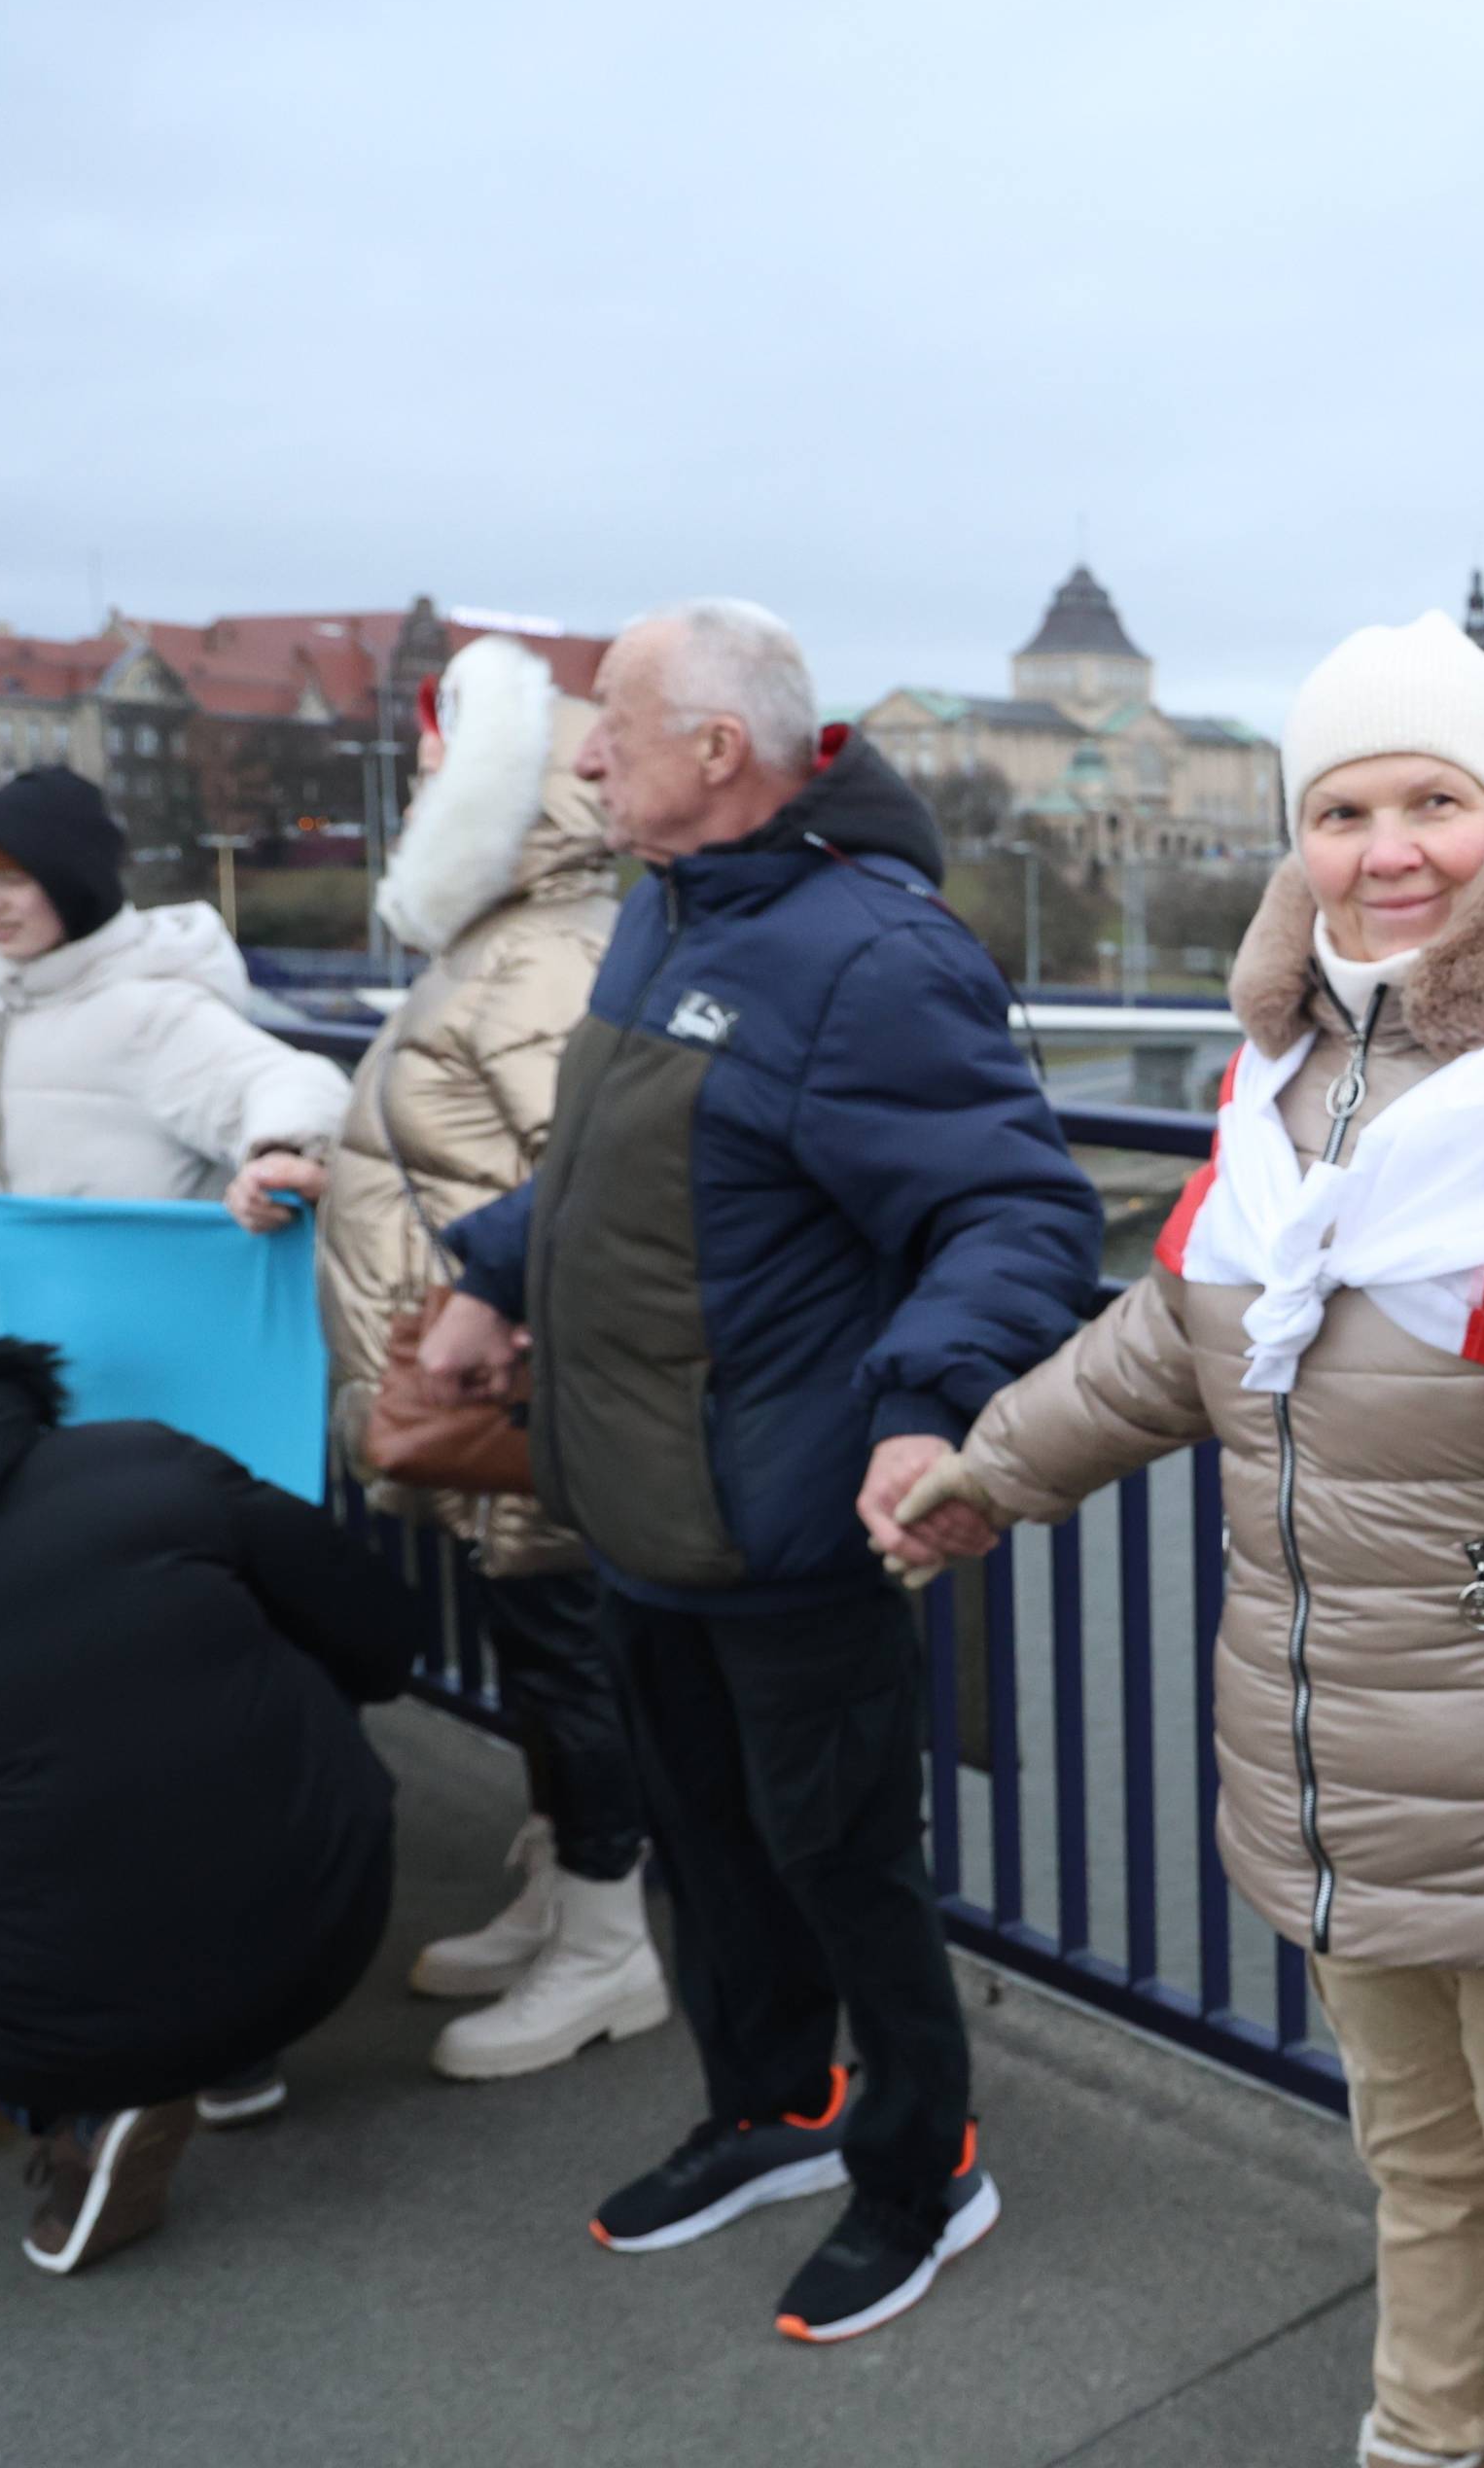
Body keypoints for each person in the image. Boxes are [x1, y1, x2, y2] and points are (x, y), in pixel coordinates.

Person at [892, 613, 1484, 2468]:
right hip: (1329, 1788)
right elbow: (1177, 1340)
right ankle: (1424, 2431)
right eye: (1339, 809)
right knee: (1415, 2176)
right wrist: (987, 1469)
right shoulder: (1294, 1083)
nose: (1384, 848)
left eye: (1434, 799)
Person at [416, 598, 1103, 2345]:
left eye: (614, 731)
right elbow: (629, 1168)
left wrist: (924, 1399)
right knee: (708, 1857)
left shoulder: (873, 955)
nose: (584, 760)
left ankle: (920, 2169)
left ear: (719, 754)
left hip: (789, 1524)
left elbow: (1015, 1209)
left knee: (841, 1865)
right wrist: (499, 1268)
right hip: (641, 1504)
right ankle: (776, 2111)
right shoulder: (676, 910)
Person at [0, 1250, 420, 2272]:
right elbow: (382, 1635)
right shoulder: (145, 1458)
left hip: (66, 2019)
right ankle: (238, 2054)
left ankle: (79, 2112)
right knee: (239, 1674)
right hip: (332, 1918)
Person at [315, 632, 662, 2083]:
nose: (420, 795)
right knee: (546, 1662)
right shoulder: (510, 945)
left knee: (573, 1668)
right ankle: (566, 1898)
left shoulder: (537, 960)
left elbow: (577, 1195)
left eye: (448, 770)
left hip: (520, 1393)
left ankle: (608, 1949)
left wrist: (507, 1343)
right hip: (490, 1384)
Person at [0, 767, 347, 1232]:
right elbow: (36, 1115)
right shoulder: (12, 1003)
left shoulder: (148, 1009)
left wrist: (280, 1157)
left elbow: (284, 1078)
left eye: (11, 879)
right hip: (61, 1306)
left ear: (74, 884)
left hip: (155, 1312)